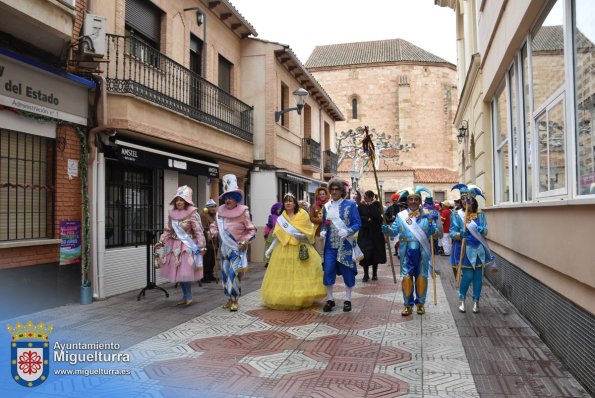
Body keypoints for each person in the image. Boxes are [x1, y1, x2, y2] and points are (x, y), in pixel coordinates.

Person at [261, 193, 326, 309]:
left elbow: (309, 233)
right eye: (286, 201)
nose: (288, 203)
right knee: (284, 276)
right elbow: (277, 236)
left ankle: (300, 297)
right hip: (283, 249)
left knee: (300, 274)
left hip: (300, 248)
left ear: (295, 203)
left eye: (291, 201)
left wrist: (302, 236)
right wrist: (270, 249)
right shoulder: (281, 218)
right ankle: (285, 297)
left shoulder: (303, 214)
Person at [382, 186, 437, 316]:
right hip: (406, 251)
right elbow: (394, 230)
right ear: (407, 201)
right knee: (406, 278)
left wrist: (430, 223)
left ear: (419, 201)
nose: (413, 201)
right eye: (410, 199)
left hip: (422, 251)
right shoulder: (401, 216)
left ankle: (420, 304)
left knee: (421, 277)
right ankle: (407, 305)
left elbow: (434, 232)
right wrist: (387, 229)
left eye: (415, 199)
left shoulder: (427, 215)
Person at [210, 174, 256, 312]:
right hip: (224, 249)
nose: (228, 200)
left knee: (233, 274)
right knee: (224, 275)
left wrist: (244, 241)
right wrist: (212, 232)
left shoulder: (244, 212)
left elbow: (251, 230)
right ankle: (229, 299)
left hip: (236, 249)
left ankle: (235, 299)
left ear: (236, 199)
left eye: (231, 197)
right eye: (226, 197)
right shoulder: (219, 212)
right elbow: (214, 226)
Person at [155, 185, 206, 306]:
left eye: (182, 200)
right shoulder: (171, 213)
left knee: (184, 273)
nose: (179, 202)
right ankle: (185, 296)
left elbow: (198, 231)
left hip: (186, 247)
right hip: (174, 246)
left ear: (187, 201)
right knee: (179, 273)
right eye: (177, 199)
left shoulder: (192, 213)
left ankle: (188, 296)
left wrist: (202, 246)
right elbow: (168, 230)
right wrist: (161, 241)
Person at [450, 184, 495, 314]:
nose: (465, 201)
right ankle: (462, 299)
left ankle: (476, 301)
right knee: (468, 275)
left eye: (468, 198)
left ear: (473, 200)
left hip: (478, 249)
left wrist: (482, 230)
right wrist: (459, 234)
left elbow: (485, 231)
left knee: (478, 277)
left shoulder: (480, 214)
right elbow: (452, 232)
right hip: (464, 249)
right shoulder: (457, 214)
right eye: (463, 198)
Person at [320, 178, 362, 312]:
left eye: (336, 189)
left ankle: (348, 300)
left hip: (345, 245)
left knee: (347, 272)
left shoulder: (350, 205)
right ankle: (330, 299)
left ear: (341, 191)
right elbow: (324, 223)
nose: (333, 192)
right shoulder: (327, 206)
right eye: (331, 189)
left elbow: (357, 223)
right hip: (330, 245)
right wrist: (323, 231)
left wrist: (348, 231)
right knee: (328, 270)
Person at [357, 190, 387, 282]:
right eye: (364, 197)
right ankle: (366, 274)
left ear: (371, 197)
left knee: (375, 253)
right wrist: (366, 219)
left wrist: (371, 205)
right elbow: (359, 217)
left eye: (366, 197)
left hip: (375, 233)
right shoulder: (361, 206)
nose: (365, 199)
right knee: (365, 254)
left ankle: (374, 274)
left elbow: (378, 216)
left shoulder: (377, 205)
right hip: (365, 233)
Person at [199, 198, 219, 283]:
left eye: (215, 206)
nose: (213, 208)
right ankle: (204, 275)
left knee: (213, 260)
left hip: (215, 240)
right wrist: (208, 235)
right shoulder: (204, 215)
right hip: (207, 241)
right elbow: (203, 228)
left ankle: (210, 274)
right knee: (207, 259)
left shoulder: (215, 216)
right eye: (211, 207)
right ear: (207, 208)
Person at [309, 186, 330, 259]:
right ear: (318, 195)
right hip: (318, 232)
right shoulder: (314, 206)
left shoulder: (330, 205)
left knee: (328, 252)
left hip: (329, 232)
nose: (322, 195)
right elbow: (311, 218)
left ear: (326, 194)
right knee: (318, 253)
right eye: (320, 194)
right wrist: (321, 220)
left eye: (323, 194)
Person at [263, 202, 283, 268]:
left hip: (281, 233)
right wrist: (266, 233)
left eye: (281, 209)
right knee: (269, 247)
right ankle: (268, 261)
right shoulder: (271, 217)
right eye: (278, 209)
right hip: (272, 234)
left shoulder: (284, 216)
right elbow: (269, 226)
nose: (279, 210)